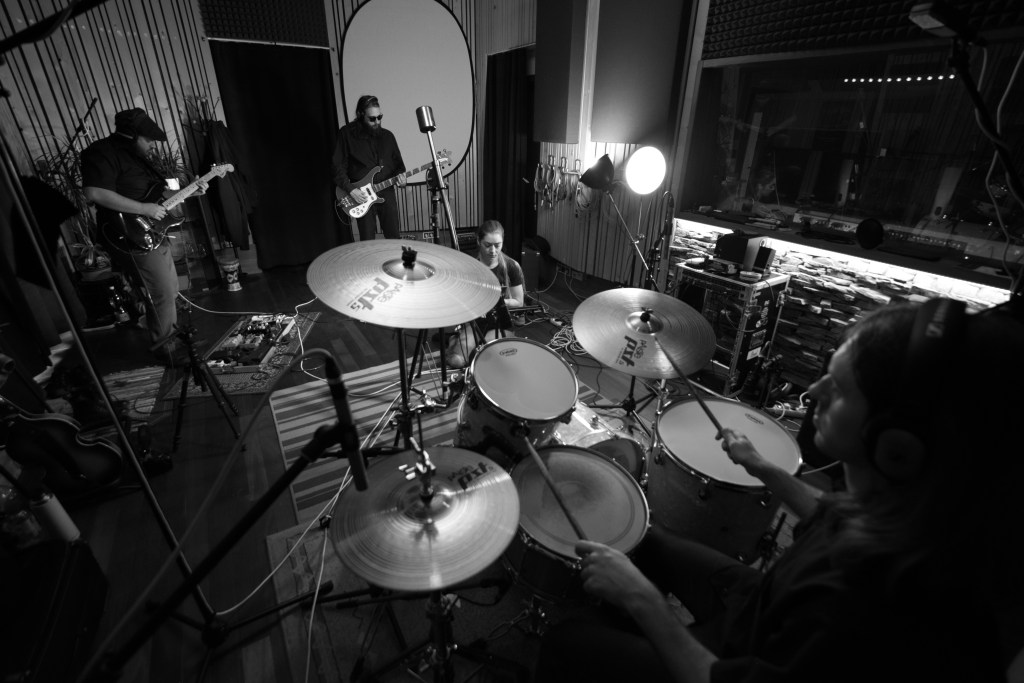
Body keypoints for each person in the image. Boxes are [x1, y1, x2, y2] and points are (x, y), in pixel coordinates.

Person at [535, 298, 1024, 682]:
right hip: (765, 604)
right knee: (645, 539)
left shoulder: (864, 604)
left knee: (567, 643)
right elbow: (827, 514)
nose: (814, 393)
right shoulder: (913, 506)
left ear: (898, 446)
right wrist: (761, 466)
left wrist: (643, 600)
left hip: (744, 657)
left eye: (839, 388)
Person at [81, 108, 206, 366]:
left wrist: (190, 191)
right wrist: (143, 209)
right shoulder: (101, 152)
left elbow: (156, 195)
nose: (152, 145)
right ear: (130, 134)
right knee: (162, 291)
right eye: (148, 139)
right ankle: (167, 351)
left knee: (169, 289)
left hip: (150, 231)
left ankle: (170, 339)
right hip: (128, 234)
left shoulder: (137, 157)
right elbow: (94, 193)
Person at [445, 220, 525, 369]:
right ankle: (455, 339)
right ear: (478, 241)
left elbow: (519, 302)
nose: (493, 251)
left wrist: (497, 301)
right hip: (475, 322)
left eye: (497, 245)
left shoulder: (512, 266)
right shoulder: (469, 267)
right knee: (456, 361)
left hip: (500, 323)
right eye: (487, 245)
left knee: (489, 360)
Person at [332, 95, 407, 241]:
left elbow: (399, 166)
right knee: (367, 240)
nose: (377, 122)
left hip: (386, 192)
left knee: (394, 237)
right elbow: (337, 166)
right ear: (360, 115)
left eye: (380, 117)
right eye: (372, 119)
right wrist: (351, 190)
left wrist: (402, 179)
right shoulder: (346, 134)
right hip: (361, 194)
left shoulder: (388, 136)